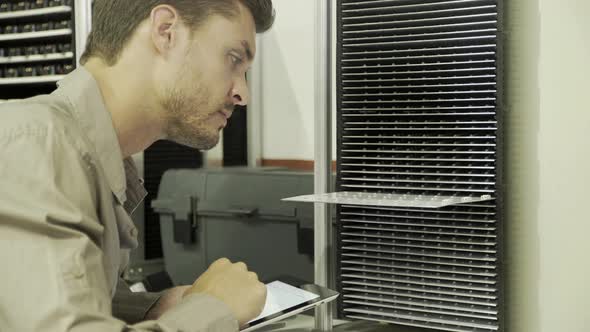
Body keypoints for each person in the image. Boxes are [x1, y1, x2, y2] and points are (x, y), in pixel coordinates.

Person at [0, 0, 275, 331]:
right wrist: (213, 310)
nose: (242, 93)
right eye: (233, 59)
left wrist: (154, 309)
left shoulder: (93, 162)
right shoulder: (35, 143)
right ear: (166, 31)